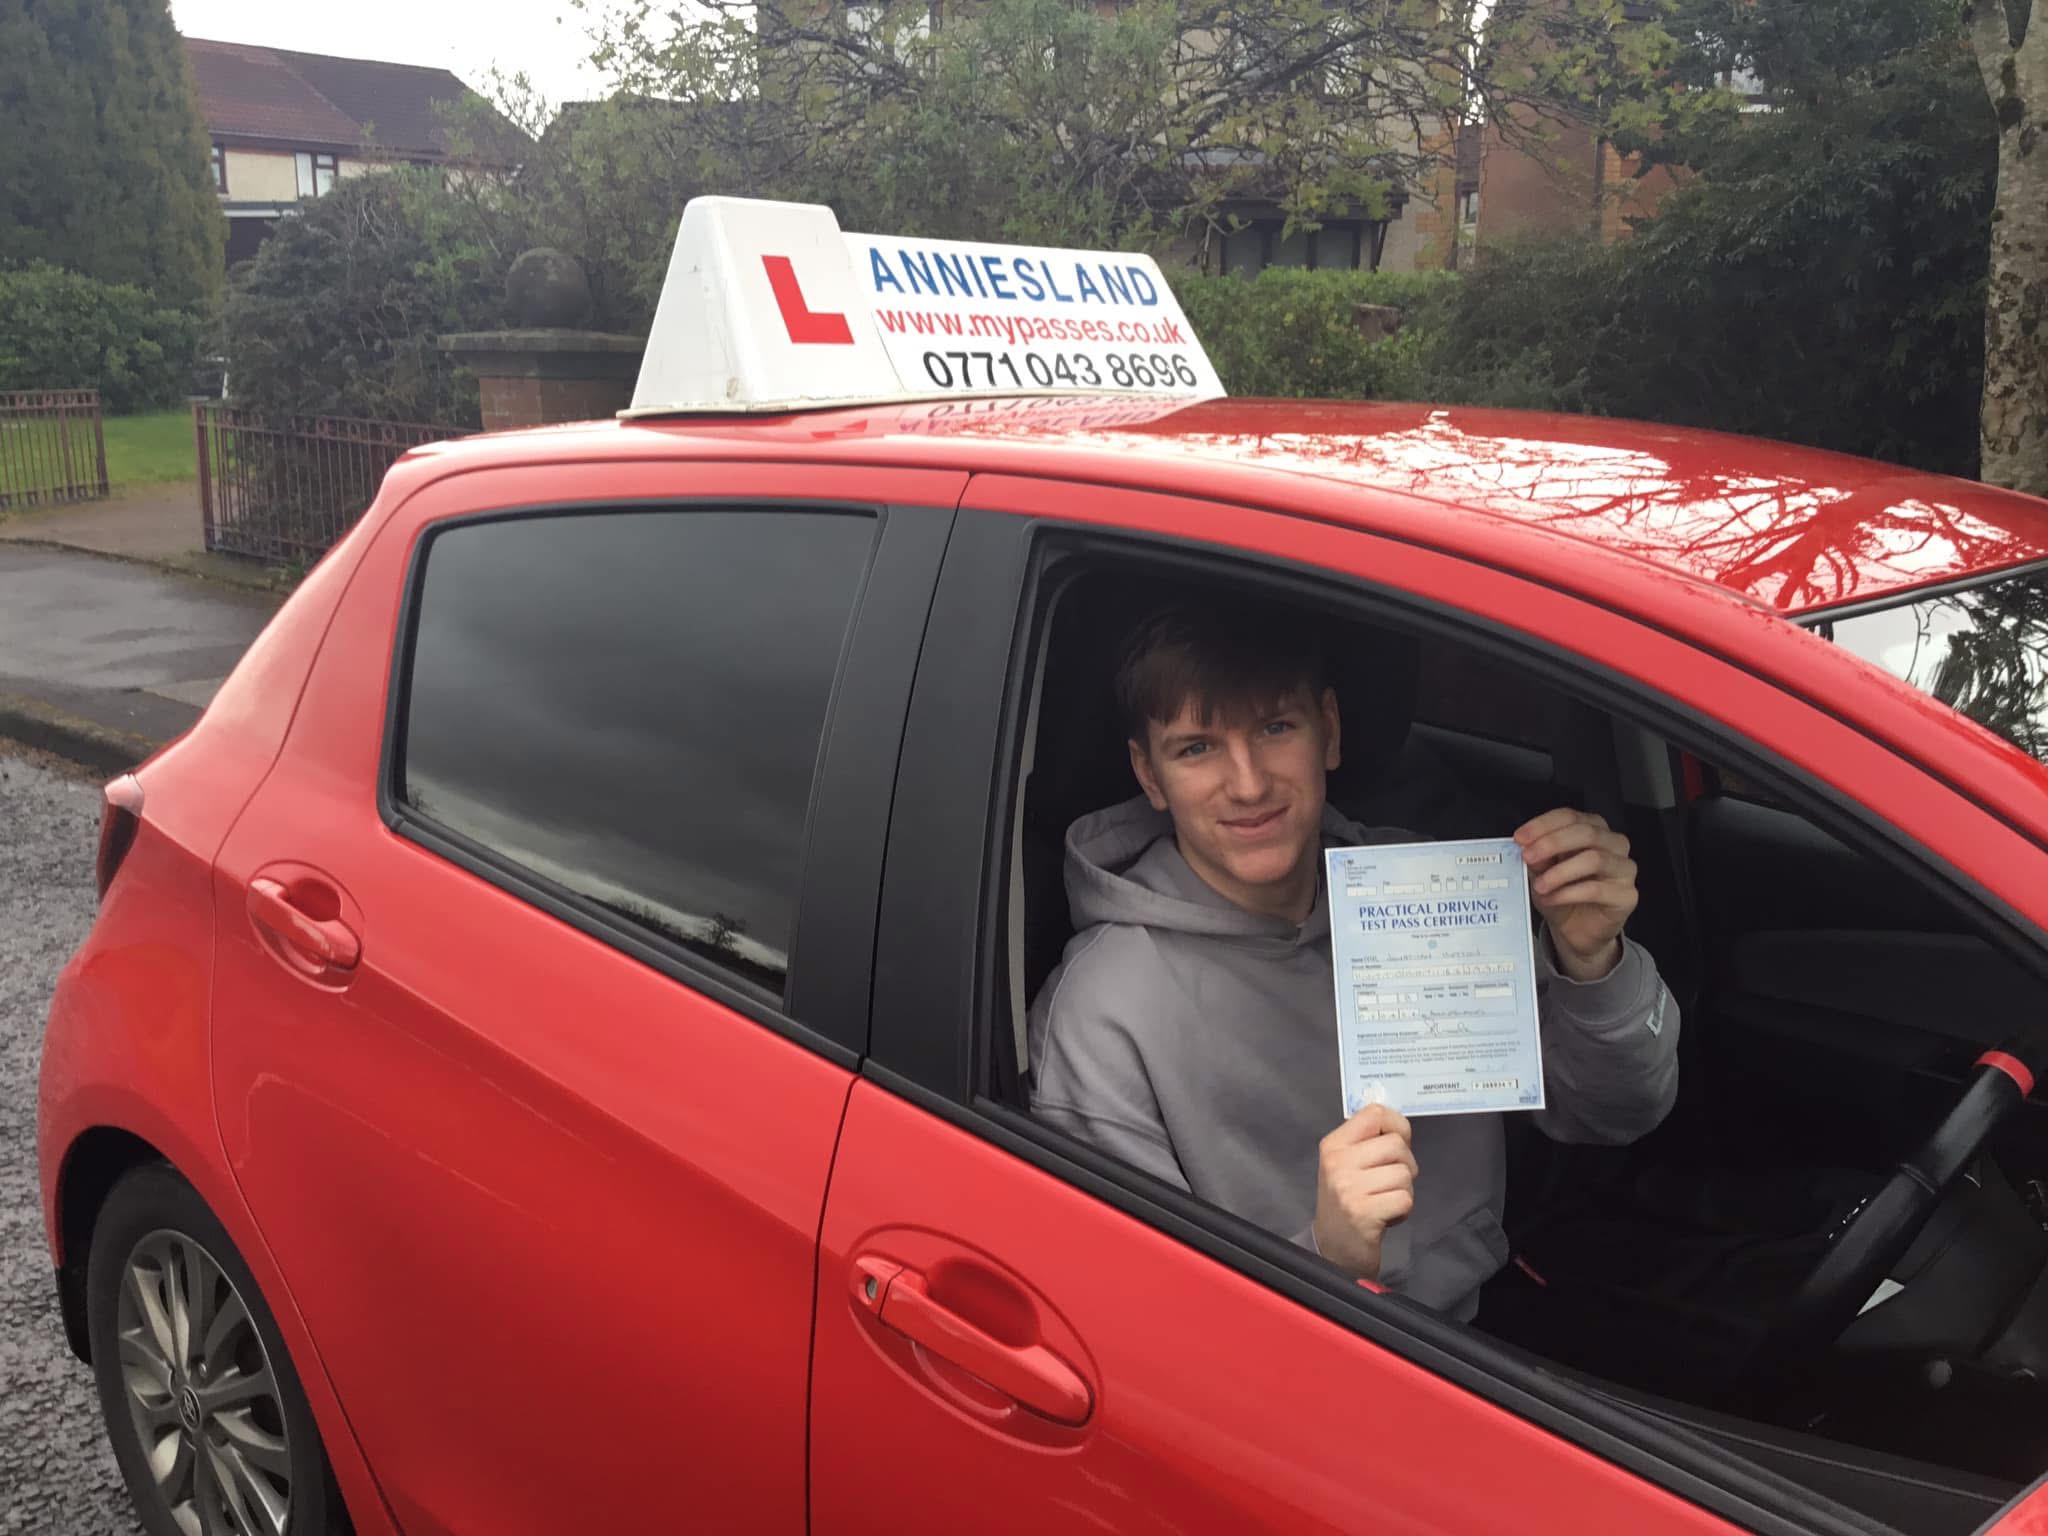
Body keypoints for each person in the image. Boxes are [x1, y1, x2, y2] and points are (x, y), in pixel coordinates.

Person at [1027, 599, 1679, 1320]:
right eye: (1197, 748)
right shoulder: (1102, 1011)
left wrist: (1590, 963)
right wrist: (1323, 1265)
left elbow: (1618, 1112)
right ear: (1149, 776)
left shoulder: (1428, 896)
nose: (1248, 784)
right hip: (1302, 1363)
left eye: (1275, 728)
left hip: (1480, 1320)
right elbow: (1139, 1330)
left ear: (1329, 732)